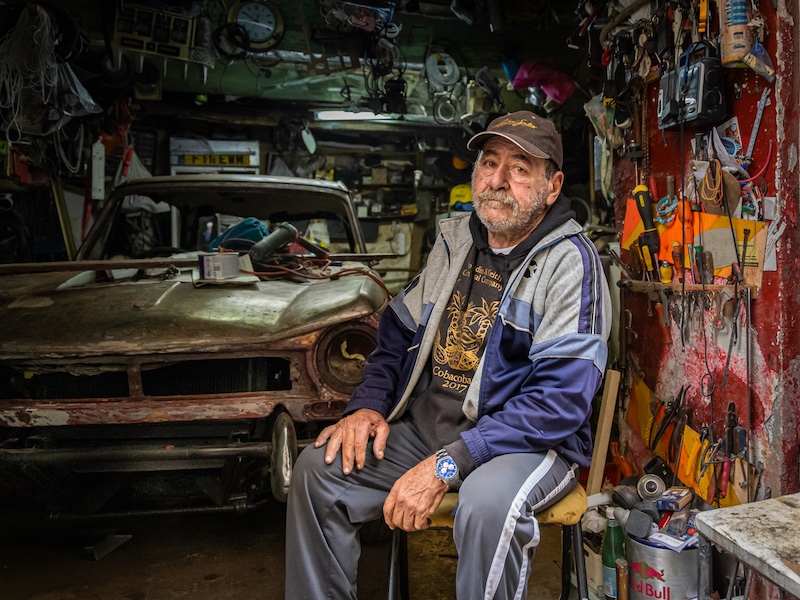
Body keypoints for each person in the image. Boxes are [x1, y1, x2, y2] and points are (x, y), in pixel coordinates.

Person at [285, 111, 612, 600]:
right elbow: (395, 334)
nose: (498, 180)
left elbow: (558, 404)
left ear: (552, 185)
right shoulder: (457, 238)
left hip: (525, 447)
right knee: (319, 471)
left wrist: (448, 464)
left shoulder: (569, 263)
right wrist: (366, 408)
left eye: (520, 168)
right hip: (431, 432)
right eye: (489, 162)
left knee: (485, 505)